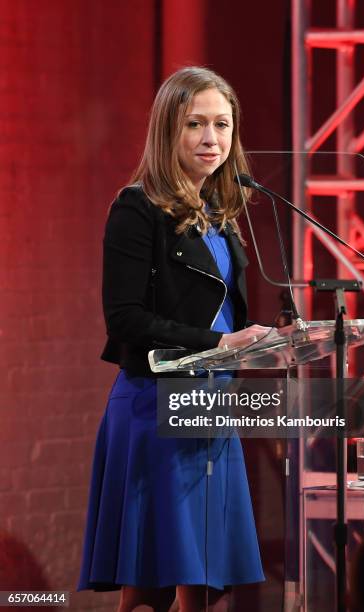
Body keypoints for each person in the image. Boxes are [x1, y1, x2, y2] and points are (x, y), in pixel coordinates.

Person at [78, 66, 270, 612]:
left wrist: (266, 340)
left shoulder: (221, 213)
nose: (212, 139)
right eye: (195, 124)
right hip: (156, 406)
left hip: (211, 406)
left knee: (202, 581)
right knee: (151, 583)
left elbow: (228, 309)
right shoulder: (136, 209)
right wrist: (221, 343)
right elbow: (126, 320)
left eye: (223, 125)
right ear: (168, 131)